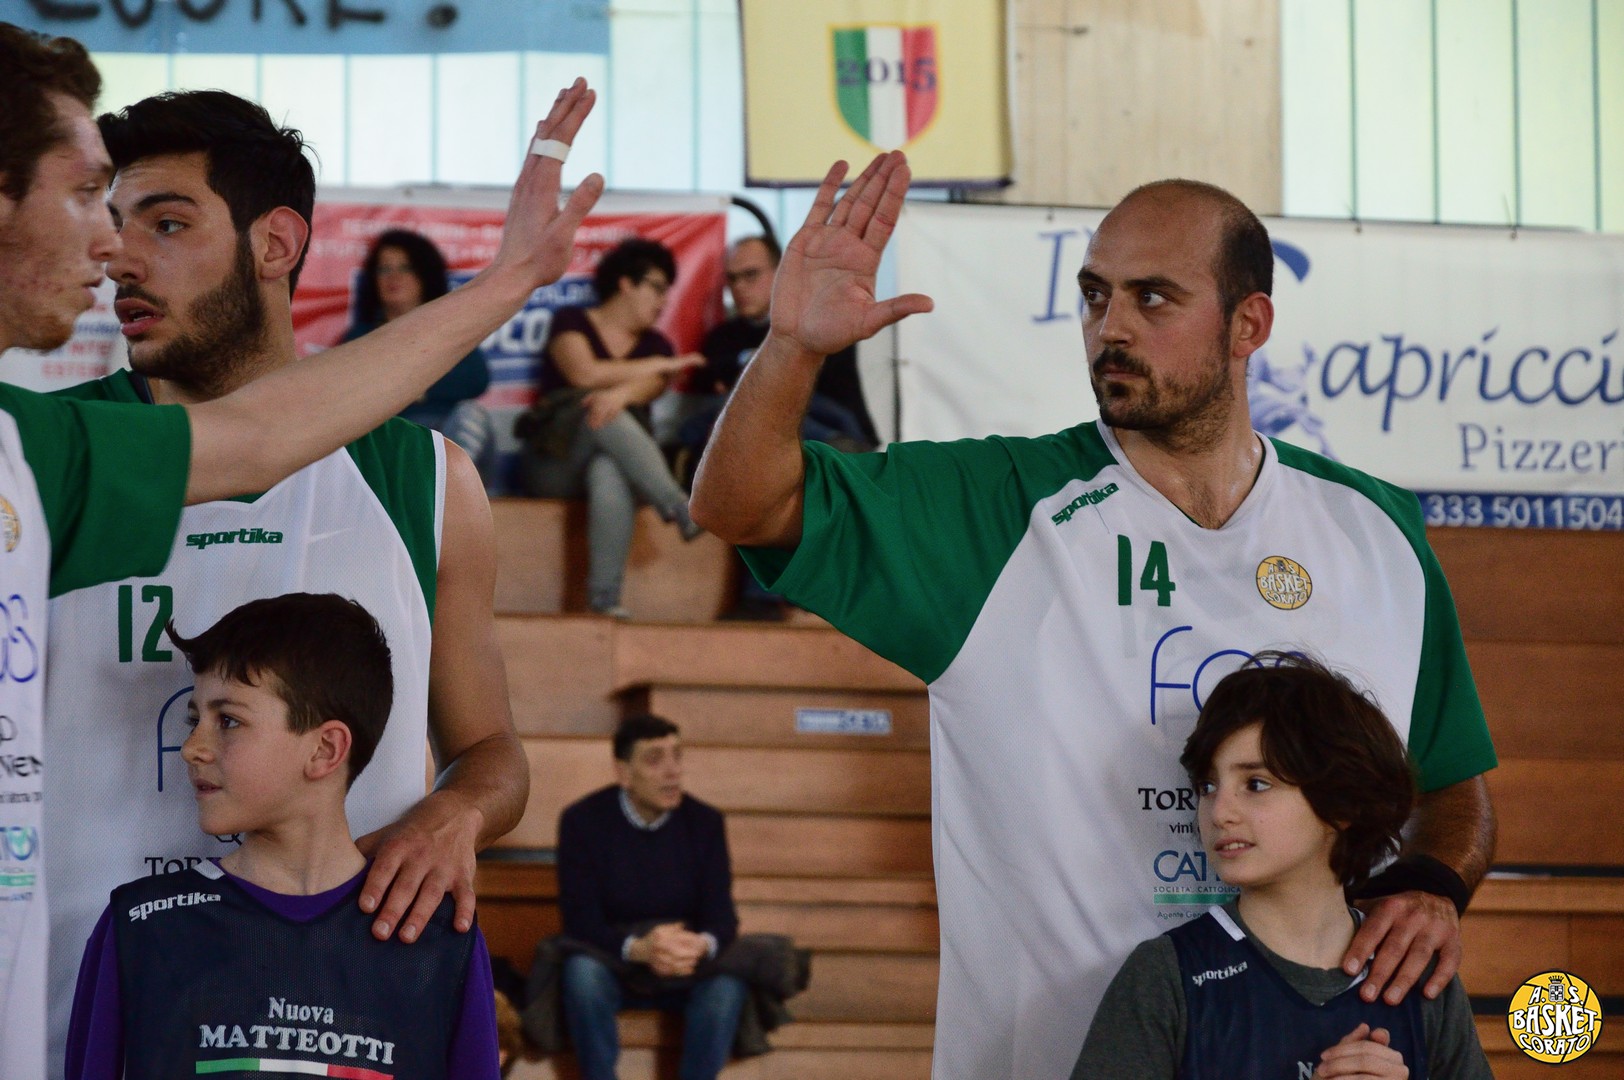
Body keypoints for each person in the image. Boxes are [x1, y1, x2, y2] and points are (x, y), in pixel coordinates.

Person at [690, 153, 1497, 1078]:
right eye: (1094, 296)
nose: (1111, 327)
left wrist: (1433, 885)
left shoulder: (1377, 531)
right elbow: (738, 506)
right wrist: (792, 347)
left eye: (1153, 298)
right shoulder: (997, 508)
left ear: (1249, 324)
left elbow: (1453, 785)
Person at [0, 22, 601, 1078]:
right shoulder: (46, 454)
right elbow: (253, 440)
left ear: (276, 244)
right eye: (103, 210)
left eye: (166, 222)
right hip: (72, 1019)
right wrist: (504, 285)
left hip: (330, 1024)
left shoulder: (425, 482)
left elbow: (492, 755)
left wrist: (455, 814)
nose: (121, 256)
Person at [65, 593, 501, 1079]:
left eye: (228, 721)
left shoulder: (436, 939)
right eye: (194, 719)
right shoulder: (141, 926)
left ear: (325, 749)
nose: (191, 747)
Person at [1071, 652, 1492, 1079]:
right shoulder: (1164, 975)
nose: (1219, 812)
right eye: (1208, 786)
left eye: (1256, 784)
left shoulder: (1418, 974)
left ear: (1344, 803)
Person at [516, 237, 705, 618]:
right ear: (625, 283)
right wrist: (656, 368)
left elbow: (649, 388)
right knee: (600, 412)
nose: (663, 301)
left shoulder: (657, 345)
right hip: (553, 462)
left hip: (622, 464)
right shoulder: (571, 321)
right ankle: (676, 504)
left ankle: (604, 600)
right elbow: (582, 373)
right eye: (656, 287)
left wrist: (621, 393)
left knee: (608, 467)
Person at [555, 713, 746, 1080]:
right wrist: (639, 949)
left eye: (677, 756)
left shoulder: (705, 822)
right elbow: (579, 921)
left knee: (727, 986)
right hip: (617, 959)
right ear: (624, 772)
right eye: (655, 759)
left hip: (685, 962)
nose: (673, 772)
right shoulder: (582, 821)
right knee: (581, 974)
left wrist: (697, 946)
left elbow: (722, 919)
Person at [682, 233, 877, 453]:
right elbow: (707, 377)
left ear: (781, 272)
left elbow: (817, 381)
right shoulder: (722, 336)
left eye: (750, 275)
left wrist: (746, 368)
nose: (739, 286)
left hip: (834, 433)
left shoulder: (820, 323)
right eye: (732, 278)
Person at [341, 228, 499, 486]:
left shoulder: (448, 329)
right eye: (384, 269)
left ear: (425, 275)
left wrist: (398, 386)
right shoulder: (361, 337)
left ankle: (447, 490)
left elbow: (475, 379)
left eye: (405, 268)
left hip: (446, 435)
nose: (393, 277)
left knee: (471, 414)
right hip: (388, 441)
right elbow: (349, 393)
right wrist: (422, 385)